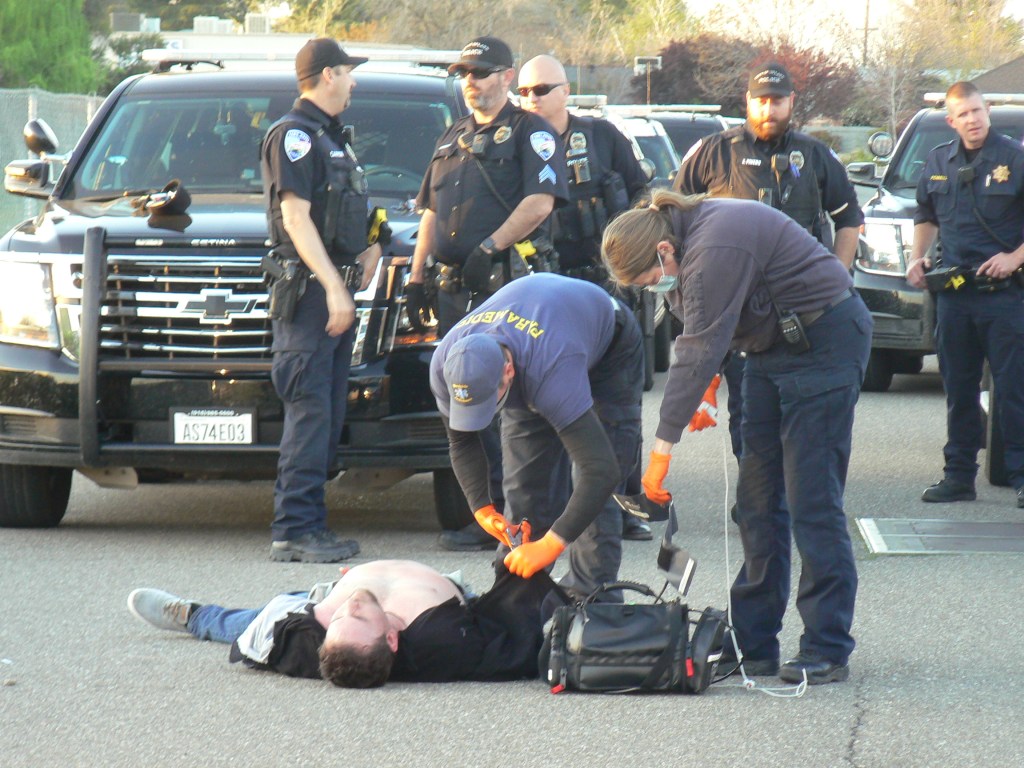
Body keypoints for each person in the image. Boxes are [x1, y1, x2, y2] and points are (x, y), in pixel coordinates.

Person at [601, 189, 872, 685]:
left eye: (650, 280)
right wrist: (706, 383)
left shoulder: (715, 245)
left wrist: (661, 452)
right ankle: (753, 642)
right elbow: (705, 327)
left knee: (811, 498)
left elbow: (697, 345)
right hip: (770, 348)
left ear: (663, 251)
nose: (655, 288)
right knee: (757, 502)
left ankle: (827, 644)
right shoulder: (682, 243)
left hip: (826, 340)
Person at [405, 36, 569, 551]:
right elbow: (431, 211)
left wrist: (489, 247)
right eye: (464, 74)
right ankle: (485, 516)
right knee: (467, 399)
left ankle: (525, 519)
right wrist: (415, 276)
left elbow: (540, 202)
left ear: (506, 76)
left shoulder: (531, 132)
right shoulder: (452, 135)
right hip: (455, 290)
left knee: (516, 409)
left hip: (507, 286)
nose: (471, 82)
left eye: (480, 72)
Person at [674, 62, 863, 462]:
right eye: (761, 101)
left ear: (791, 102)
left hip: (804, 311)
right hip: (743, 315)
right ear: (747, 101)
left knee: (800, 422)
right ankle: (756, 492)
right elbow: (674, 221)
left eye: (777, 101)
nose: (768, 109)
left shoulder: (814, 155)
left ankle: (788, 491)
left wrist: (839, 276)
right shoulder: (713, 152)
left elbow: (849, 218)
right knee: (748, 422)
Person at [429, 273, 644, 603]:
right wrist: (481, 508)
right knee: (525, 489)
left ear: (508, 371)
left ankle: (591, 602)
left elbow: (601, 471)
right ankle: (514, 602)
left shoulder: (551, 368)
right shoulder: (447, 363)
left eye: (489, 400)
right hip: (541, 343)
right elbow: (461, 442)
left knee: (597, 490)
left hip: (607, 348)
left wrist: (552, 543)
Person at [516, 54, 652, 542]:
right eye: (524, 91)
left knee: (616, 406)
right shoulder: (516, 140)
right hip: (546, 291)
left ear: (566, 91)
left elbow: (642, 197)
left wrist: (630, 257)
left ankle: (621, 505)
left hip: (605, 285)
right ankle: (558, 511)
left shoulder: (601, 137)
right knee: (548, 404)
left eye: (542, 89)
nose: (532, 99)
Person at [260, 39, 383, 563]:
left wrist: (372, 245)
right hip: (311, 296)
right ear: (328, 74)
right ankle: (294, 528)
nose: (355, 81)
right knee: (309, 415)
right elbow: (295, 218)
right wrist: (334, 286)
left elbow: (341, 214)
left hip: (332, 291)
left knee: (326, 417)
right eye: (349, 72)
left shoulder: (330, 138)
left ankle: (311, 524)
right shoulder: (294, 136)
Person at [127, 560, 560, 688]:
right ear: (391, 638)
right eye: (356, 615)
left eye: (338, 617)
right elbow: (514, 643)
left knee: (251, 620)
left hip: (309, 597)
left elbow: (266, 635)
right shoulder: (442, 638)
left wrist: (332, 605)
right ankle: (197, 616)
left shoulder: (317, 640)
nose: (348, 607)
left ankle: (196, 616)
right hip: (439, 593)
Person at [906, 81, 1024, 508]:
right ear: (951, 121)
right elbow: (926, 215)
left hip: (1004, 296)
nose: (972, 120)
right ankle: (958, 477)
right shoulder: (939, 161)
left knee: (1013, 389)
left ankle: (1022, 477)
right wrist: (917, 258)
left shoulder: (1015, 158)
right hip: (954, 296)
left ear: (987, 109)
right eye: (964, 115)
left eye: (977, 111)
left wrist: (1014, 258)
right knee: (959, 390)